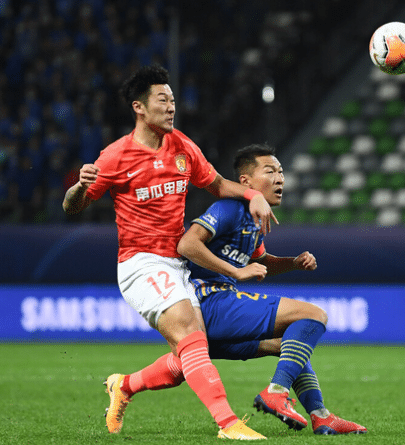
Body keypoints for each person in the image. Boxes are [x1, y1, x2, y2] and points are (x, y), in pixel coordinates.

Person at [62, 65, 276, 440]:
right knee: (191, 333)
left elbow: (217, 184)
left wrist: (252, 194)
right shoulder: (116, 156)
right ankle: (228, 424)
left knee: (188, 354)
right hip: (140, 264)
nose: (172, 106)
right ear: (139, 107)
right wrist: (80, 187)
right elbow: (71, 207)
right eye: (162, 100)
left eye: (173, 99)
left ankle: (124, 385)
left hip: (177, 264)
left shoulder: (182, 146)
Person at [112, 144, 367, 435]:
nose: (280, 178)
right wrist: (235, 271)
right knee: (313, 315)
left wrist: (293, 263)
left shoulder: (253, 220)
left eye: (281, 172)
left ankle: (321, 416)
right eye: (270, 171)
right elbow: (187, 244)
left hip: (216, 315)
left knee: (290, 344)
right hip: (207, 302)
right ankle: (276, 392)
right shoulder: (229, 209)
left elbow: (262, 262)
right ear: (246, 182)